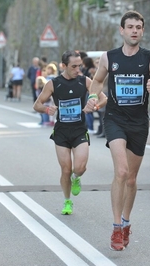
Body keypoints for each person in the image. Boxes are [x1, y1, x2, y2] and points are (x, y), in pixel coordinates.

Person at [84, 10, 150, 251]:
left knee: (131, 178)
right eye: (130, 26)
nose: (135, 30)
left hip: (139, 123)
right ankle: (114, 229)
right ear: (122, 30)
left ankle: (126, 223)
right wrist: (93, 96)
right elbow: (98, 81)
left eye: (139, 27)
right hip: (114, 119)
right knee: (121, 172)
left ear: (143, 31)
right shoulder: (108, 57)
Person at [33, 50, 107, 215]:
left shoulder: (85, 81)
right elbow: (36, 105)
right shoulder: (53, 84)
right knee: (66, 169)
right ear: (63, 66)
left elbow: (103, 99)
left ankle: (76, 178)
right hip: (61, 132)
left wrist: (94, 106)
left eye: (79, 66)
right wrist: (47, 109)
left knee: (80, 167)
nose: (77, 69)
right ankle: (67, 202)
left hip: (79, 130)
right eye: (73, 66)